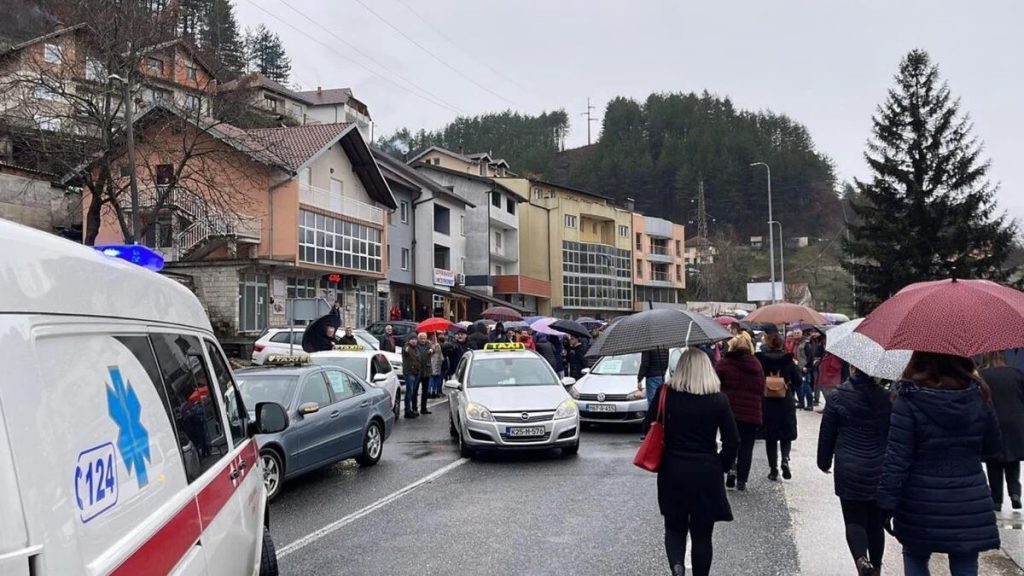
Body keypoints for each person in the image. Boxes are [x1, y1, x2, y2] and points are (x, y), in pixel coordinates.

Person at [878, 352, 1001, 576]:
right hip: (968, 498)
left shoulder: (908, 397)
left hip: (919, 499)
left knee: (915, 555)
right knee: (965, 560)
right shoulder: (979, 394)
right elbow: (993, 447)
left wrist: (886, 503)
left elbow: (897, 457)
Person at [651, 347, 739, 576]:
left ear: (681, 369)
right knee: (702, 533)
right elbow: (733, 442)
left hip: (672, 469)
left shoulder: (666, 393)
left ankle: (677, 568)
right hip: (706, 470)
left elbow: (647, 427)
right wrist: (720, 466)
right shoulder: (718, 400)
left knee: (674, 526)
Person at [817, 365, 893, 576]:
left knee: (853, 519)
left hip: (849, 467)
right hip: (879, 466)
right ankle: (876, 567)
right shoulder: (887, 398)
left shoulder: (837, 397)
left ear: (853, 368)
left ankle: (861, 560)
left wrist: (823, 462)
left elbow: (827, 434)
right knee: (875, 521)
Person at [715, 334, 764, 491]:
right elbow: (761, 389)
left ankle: (731, 469)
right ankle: (742, 479)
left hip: (729, 412)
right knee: (747, 446)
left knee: (730, 443)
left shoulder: (724, 364)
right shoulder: (756, 365)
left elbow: (715, 385)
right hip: (752, 412)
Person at [979, 351, 1024, 511]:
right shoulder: (1017, 373)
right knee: (1013, 459)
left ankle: (996, 499)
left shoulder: (983, 376)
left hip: (993, 421)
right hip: (1015, 422)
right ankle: (1015, 493)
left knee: (994, 461)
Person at [757, 331, 800, 482]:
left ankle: (773, 469)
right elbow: (799, 381)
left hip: (767, 400)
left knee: (770, 437)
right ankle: (785, 460)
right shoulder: (788, 360)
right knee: (786, 433)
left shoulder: (761, 360)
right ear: (782, 343)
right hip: (785, 399)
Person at [401, 336, 425, 419]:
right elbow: (405, 350)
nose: (414, 341)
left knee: (413, 391)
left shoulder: (417, 348)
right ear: (409, 340)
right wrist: (406, 346)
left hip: (417, 372)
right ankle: (407, 411)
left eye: (415, 339)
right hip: (409, 372)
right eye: (412, 340)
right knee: (409, 391)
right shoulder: (407, 347)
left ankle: (411, 409)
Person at [415, 333, 434, 414]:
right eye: (421, 338)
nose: (423, 340)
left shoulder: (429, 345)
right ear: (418, 338)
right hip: (417, 371)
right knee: (414, 391)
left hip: (426, 370)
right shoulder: (415, 345)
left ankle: (424, 408)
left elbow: (434, 350)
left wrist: (432, 349)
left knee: (425, 391)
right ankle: (414, 408)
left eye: (424, 338)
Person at [428, 333, 445, 398]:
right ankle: (430, 391)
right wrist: (432, 349)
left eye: (435, 338)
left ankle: (434, 391)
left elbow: (440, 354)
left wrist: (442, 360)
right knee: (431, 378)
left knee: (436, 378)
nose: (434, 339)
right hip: (432, 364)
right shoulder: (430, 345)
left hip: (438, 364)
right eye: (433, 338)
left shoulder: (437, 345)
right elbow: (429, 353)